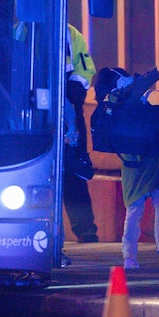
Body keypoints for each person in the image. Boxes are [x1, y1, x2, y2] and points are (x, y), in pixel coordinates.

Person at [94, 67, 159, 270]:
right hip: (150, 156)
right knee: (158, 206)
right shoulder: (125, 96)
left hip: (134, 160)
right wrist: (147, 75)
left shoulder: (114, 103)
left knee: (136, 208)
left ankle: (131, 257)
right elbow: (147, 80)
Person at [63, 24, 99, 245]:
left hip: (67, 103)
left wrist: (75, 88)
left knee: (74, 172)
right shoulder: (22, 28)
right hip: (33, 108)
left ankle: (86, 230)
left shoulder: (71, 33)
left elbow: (85, 68)